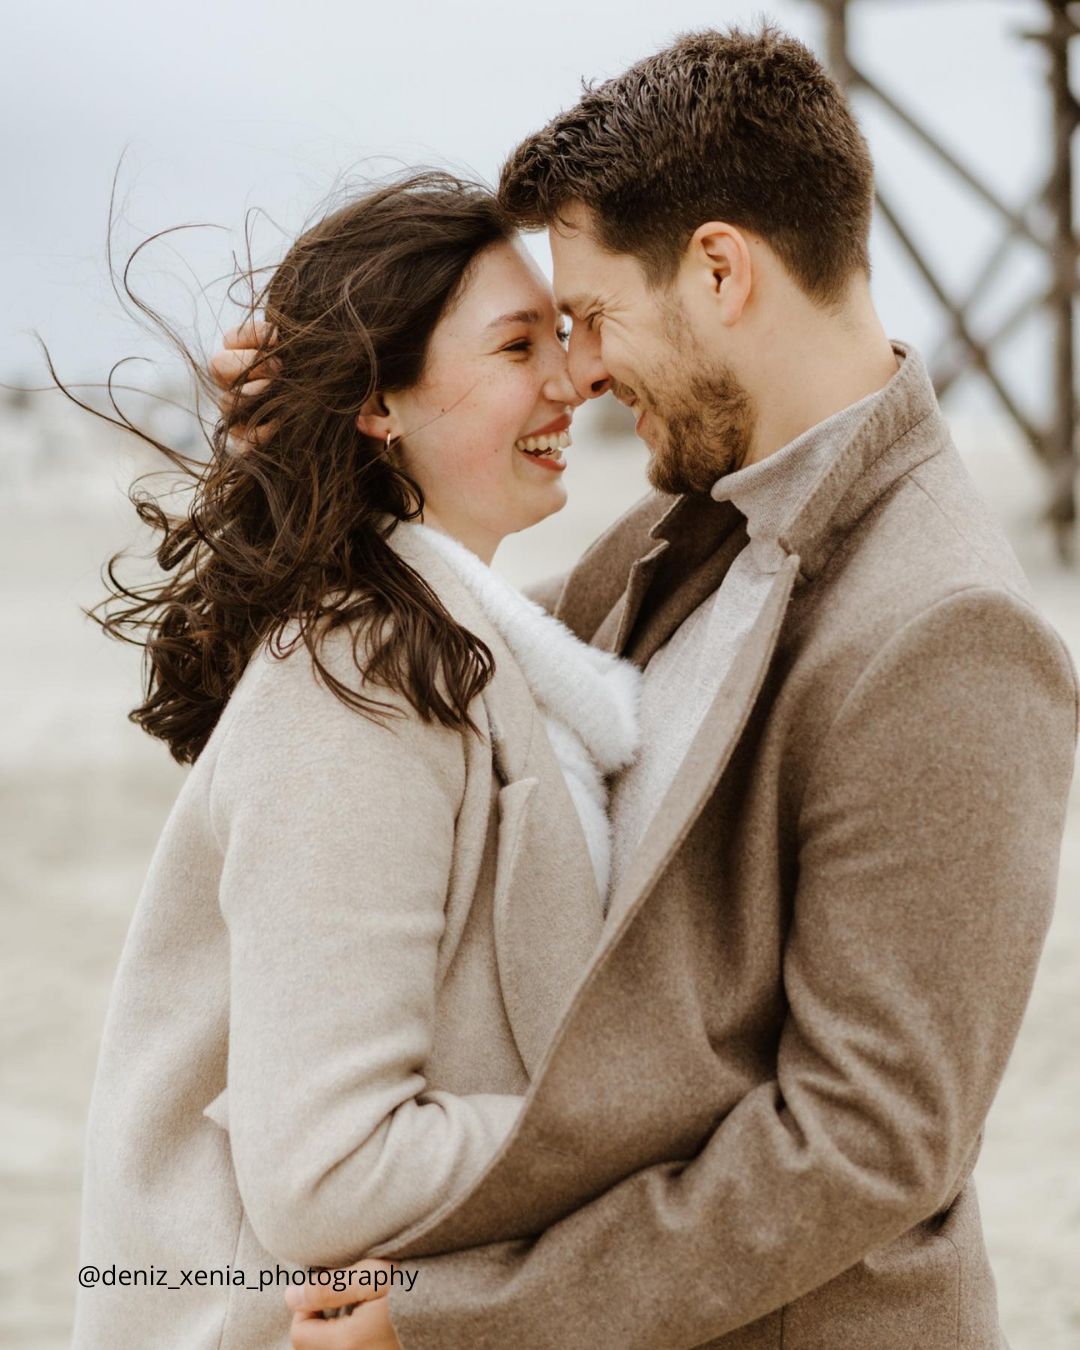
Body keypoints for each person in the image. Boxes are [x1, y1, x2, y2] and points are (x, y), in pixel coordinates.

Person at [217, 26, 1078, 1350]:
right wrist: (304, 446)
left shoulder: (949, 633)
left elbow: (864, 1140)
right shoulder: (673, 532)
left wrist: (452, 1321)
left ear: (722, 269)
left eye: (596, 316)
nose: (589, 368)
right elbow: (435, 672)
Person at [71, 171, 643, 1349]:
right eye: (519, 343)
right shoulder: (362, 675)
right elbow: (328, 1169)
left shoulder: (456, 637)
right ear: (382, 402)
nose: (573, 379)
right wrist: (661, 1116)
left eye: (571, 335)